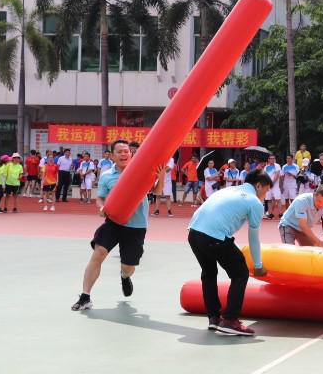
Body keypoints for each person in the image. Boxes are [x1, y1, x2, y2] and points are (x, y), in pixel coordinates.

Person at [71, 140, 166, 312]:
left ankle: (124, 276)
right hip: (113, 222)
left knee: (128, 267)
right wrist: (101, 208)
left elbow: (157, 192)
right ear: (112, 156)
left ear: (131, 154)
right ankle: (85, 297)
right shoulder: (107, 176)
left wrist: (160, 178)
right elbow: (100, 198)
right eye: (119, 152)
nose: (124, 154)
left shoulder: (141, 172)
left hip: (136, 225)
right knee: (98, 253)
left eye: (126, 151)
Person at [187, 169, 271, 336]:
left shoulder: (228, 190)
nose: (266, 194)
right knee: (240, 273)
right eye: (266, 190)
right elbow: (253, 237)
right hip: (213, 237)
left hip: (194, 233)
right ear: (258, 185)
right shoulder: (254, 202)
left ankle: (214, 318)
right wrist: (258, 265)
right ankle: (230, 320)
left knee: (209, 273)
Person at [263, 154, 282, 219]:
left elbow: (277, 175)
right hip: (268, 185)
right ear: (268, 160)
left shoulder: (277, 166)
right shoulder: (266, 167)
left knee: (278, 199)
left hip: (275, 185)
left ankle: (280, 213)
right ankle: (270, 214)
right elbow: (265, 175)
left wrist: (272, 183)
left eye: (273, 158)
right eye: (271, 158)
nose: (272, 160)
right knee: (269, 200)